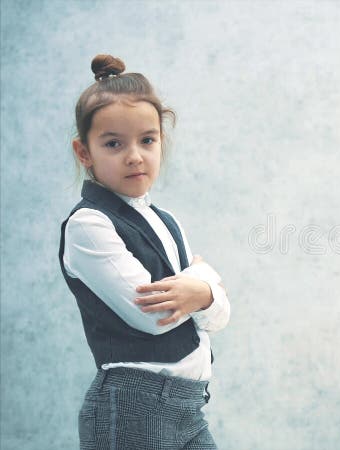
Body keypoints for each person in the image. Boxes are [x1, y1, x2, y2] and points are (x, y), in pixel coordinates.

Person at [58, 54, 230, 449]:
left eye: (147, 140)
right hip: (134, 407)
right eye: (113, 143)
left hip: (188, 407)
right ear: (84, 153)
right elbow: (153, 316)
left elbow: (217, 317)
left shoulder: (167, 219)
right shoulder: (90, 225)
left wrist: (202, 293)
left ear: (160, 141)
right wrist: (206, 279)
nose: (134, 155)